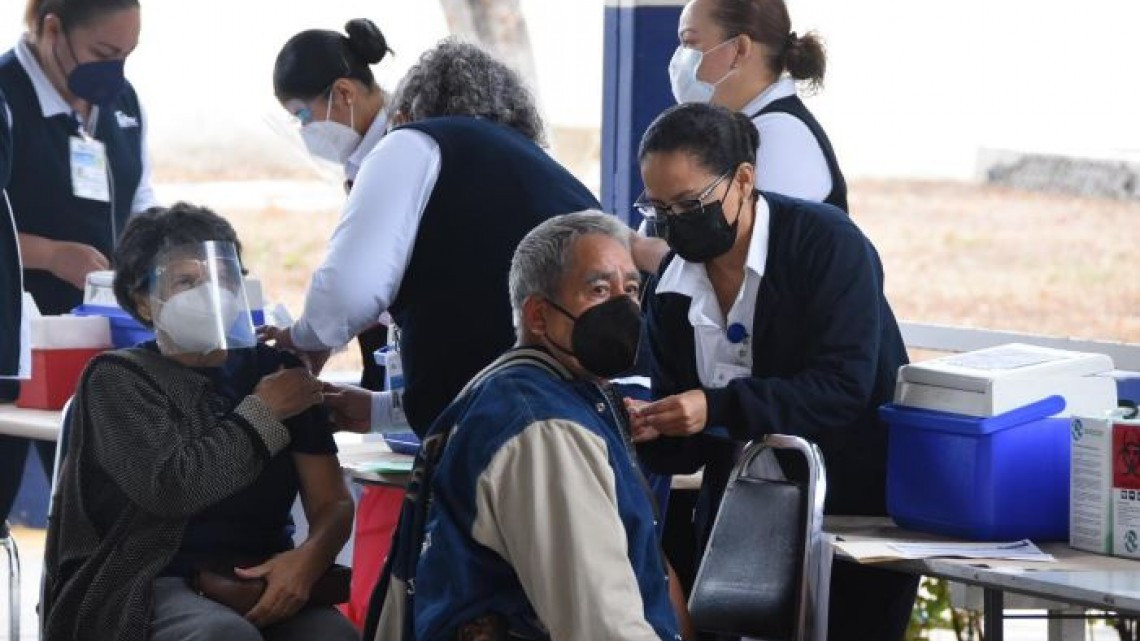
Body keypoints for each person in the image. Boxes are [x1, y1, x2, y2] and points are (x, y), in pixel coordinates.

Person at [629, 103, 916, 641]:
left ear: (744, 179)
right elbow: (687, 437)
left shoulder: (828, 245)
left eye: (691, 203)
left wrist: (714, 407)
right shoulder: (670, 286)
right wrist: (655, 426)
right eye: (659, 209)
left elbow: (842, 386)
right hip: (739, 523)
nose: (674, 225)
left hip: (853, 514)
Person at [41, 203, 357, 641]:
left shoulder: (277, 372)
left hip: (261, 571)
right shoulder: (118, 379)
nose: (210, 294)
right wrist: (263, 414)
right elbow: (172, 488)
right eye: (186, 281)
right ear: (143, 302)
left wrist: (306, 563)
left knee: (333, 637)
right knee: (221, 637)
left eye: (223, 278)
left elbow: (332, 502)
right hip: (149, 577)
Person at [366, 211, 679, 641]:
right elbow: (599, 625)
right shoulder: (544, 429)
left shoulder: (535, 393)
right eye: (599, 289)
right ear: (538, 316)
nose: (623, 308)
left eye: (630, 290)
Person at [264, 39, 600, 437]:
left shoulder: (412, 142)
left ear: (405, 115)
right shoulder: (541, 171)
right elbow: (475, 323)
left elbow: (346, 293)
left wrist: (301, 336)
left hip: (507, 429)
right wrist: (383, 410)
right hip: (583, 416)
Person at [0, 0, 160, 531]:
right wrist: (50, 255)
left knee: (95, 518)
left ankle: (77, 612)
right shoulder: (6, 95)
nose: (116, 70)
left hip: (95, 343)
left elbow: (140, 201)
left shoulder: (121, 103)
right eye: (103, 53)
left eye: (127, 55)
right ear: (51, 29)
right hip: (14, 344)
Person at [273, 17, 393, 391]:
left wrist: (309, 333)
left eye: (304, 116)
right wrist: (324, 333)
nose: (305, 131)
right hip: (389, 330)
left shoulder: (402, 144)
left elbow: (361, 266)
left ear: (343, 93)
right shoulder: (363, 152)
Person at [668, 0, 846, 210]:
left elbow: (727, 237)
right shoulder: (741, 130)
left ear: (740, 49)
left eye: (689, 42)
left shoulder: (780, 136)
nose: (680, 57)